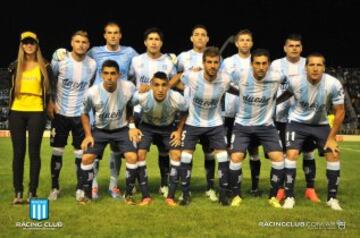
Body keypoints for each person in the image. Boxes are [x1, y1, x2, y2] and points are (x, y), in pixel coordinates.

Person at [278, 53, 345, 210]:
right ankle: (289, 197)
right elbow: (285, 95)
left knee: (333, 153)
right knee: (291, 154)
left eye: (319, 65)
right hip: (296, 123)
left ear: (324, 68)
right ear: (305, 67)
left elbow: (340, 111)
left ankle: (332, 199)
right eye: (312, 65)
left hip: (320, 124)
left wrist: (332, 137)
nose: (315, 68)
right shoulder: (294, 81)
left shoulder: (333, 83)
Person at [229, 49, 285, 208]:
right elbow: (223, 82)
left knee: (279, 158)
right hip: (242, 125)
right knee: (236, 157)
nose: (261, 67)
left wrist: (277, 101)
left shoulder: (277, 77)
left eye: (264, 63)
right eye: (257, 63)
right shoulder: (240, 75)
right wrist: (239, 92)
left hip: (266, 126)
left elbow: (293, 88)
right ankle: (236, 195)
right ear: (251, 64)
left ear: (269, 64)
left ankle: (273, 196)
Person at [78, 60, 140, 204]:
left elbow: (131, 108)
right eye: (106, 73)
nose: (109, 77)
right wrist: (88, 135)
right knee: (86, 158)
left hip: (122, 129)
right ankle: (88, 194)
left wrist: (132, 127)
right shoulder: (92, 92)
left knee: (132, 157)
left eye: (113, 73)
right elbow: (84, 113)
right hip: (100, 130)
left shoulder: (128, 87)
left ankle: (128, 195)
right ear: (101, 74)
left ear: (119, 74)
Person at [177, 47, 232, 206]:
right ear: (203, 63)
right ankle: (185, 194)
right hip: (193, 122)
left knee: (222, 156)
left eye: (216, 62)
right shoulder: (192, 76)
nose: (212, 65)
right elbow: (178, 79)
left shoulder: (226, 79)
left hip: (214, 123)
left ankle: (222, 194)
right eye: (209, 62)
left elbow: (234, 88)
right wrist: (170, 88)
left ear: (219, 64)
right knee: (186, 156)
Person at [270, 34, 320, 203]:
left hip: (303, 118)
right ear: (285, 48)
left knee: (308, 153)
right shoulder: (276, 64)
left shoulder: (308, 64)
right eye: (290, 45)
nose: (294, 48)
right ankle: (282, 189)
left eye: (297, 45)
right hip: (281, 117)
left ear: (301, 48)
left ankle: (310, 189)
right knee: (282, 154)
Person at [47, 30, 96, 201]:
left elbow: (89, 87)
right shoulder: (60, 60)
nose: (81, 45)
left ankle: (80, 188)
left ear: (88, 45)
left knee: (80, 154)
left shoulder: (92, 65)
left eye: (84, 42)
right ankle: (54, 188)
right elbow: (49, 81)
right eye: (77, 41)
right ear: (71, 43)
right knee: (57, 151)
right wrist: (50, 102)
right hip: (60, 114)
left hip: (80, 116)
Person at [129, 27, 177, 198]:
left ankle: (164, 184)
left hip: (163, 112)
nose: (154, 42)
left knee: (164, 151)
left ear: (161, 43)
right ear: (145, 42)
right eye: (150, 39)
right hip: (139, 112)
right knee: (137, 151)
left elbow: (173, 81)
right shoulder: (136, 61)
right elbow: (129, 80)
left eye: (157, 39)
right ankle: (135, 182)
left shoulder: (169, 61)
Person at [8, 31, 53, 204]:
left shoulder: (45, 66)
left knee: (34, 153)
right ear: (21, 45)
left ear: (37, 45)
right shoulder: (13, 66)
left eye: (32, 42)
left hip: (36, 111)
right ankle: (18, 192)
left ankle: (32, 192)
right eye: (25, 42)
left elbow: (50, 89)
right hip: (16, 111)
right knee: (18, 153)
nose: (29, 45)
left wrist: (50, 104)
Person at [174, 24, 218, 202]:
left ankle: (210, 187)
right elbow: (175, 79)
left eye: (203, 35)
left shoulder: (213, 58)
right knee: (188, 150)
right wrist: (187, 84)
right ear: (191, 38)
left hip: (209, 113)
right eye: (196, 35)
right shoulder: (183, 57)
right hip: (189, 111)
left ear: (207, 39)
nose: (200, 37)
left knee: (210, 152)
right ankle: (186, 187)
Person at [131, 71, 188, 206]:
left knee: (176, 154)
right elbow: (128, 107)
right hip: (147, 127)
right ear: (151, 85)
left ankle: (170, 197)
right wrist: (133, 126)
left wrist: (179, 131)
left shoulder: (177, 98)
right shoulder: (142, 96)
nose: (160, 89)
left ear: (168, 85)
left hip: (167, 128)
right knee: (140, 154)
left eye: (164, 85)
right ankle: (145, 196)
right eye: (156, 85)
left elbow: (186, 112)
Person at [221, 29, 263, 196]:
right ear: (237, 43)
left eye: (248, 40)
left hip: (254, 113)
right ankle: (232, 186)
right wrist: (242, 92)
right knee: (233, 151)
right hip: (232, 112)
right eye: (242, 40)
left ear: (252, 43)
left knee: (254, 150)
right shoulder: (229, 62)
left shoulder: (259, 61)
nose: (245, 42)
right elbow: (224, 83)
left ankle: (255, 187)